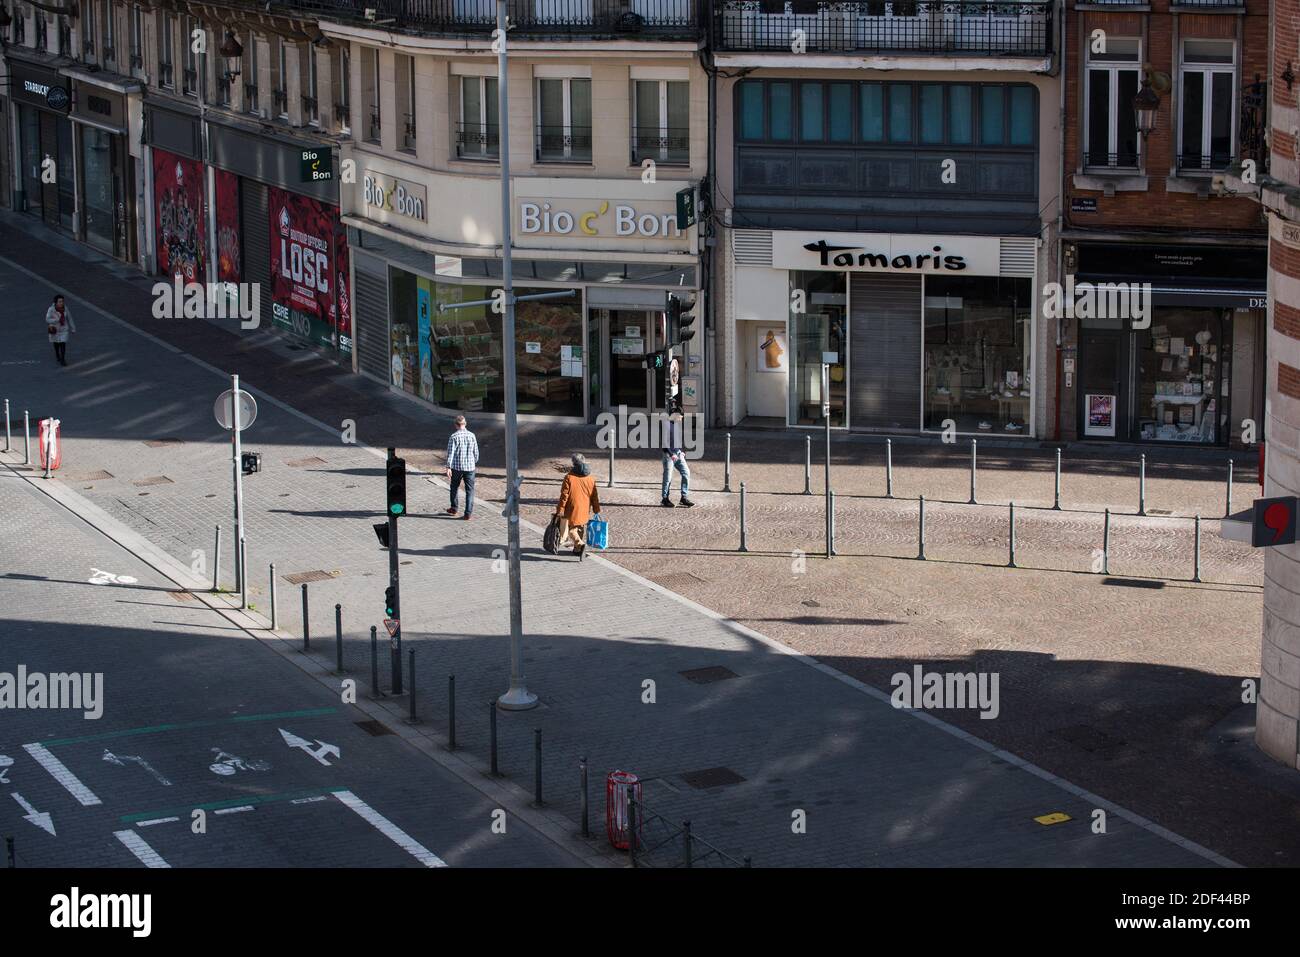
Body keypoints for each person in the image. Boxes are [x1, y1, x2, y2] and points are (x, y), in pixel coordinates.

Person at [555, 453, 600, 559]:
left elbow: (564, 496)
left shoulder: (569, 477)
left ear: (573, 463)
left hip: (572, 507)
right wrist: (596, 509)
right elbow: (594, 495)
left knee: (571, 530)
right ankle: (577, 550)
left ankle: (580, 544)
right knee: (580, 528)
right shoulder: (591, 478)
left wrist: (560, 509)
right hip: (585, 508)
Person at [443, 414, 479, 520]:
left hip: (457, 467)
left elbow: (451, 453)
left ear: (456, 425)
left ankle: (454, 508)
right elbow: (476, 452)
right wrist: (473, 462)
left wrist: (448, 467)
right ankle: (468, 513)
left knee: (454, 487)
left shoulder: (453, 437)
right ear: (465, 423)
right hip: (470, 467)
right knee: (470, 490)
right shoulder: (472, 435)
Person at [660, 411, 694, 508]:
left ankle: (684, 497)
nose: (681, 418)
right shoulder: (666, 425)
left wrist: (681, 451)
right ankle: (664, 499)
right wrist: (671, 454)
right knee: (668, 478)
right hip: (669, 456)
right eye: (680, 416)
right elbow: (664, 444)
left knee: (686, 472)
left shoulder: (677, 425)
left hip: (678, 454)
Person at [45, 295, 75, 366]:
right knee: (56, 344)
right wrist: (56, 320)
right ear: (55, 302)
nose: (61, 303)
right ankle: (57, 354)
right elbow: (47, 319)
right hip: (54, 329)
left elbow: (69, 318)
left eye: (62, 301)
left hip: (64, 329)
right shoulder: (51, 309)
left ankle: (62, 359)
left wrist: (73, 327)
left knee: (63, 343)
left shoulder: (65, 308)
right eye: (60, 301)